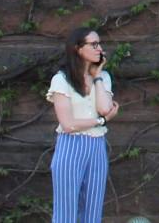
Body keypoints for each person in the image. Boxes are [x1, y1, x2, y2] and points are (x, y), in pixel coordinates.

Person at [47, 26, 118, 223]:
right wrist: (100, 121)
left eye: (99, 44)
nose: (99, 49)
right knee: (66, 212)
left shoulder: (103, 78)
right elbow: (68, 124)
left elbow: (105, 108)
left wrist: (97, 77)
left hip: (97, 147)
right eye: (93, 44)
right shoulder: (61, 80)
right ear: (78, 48)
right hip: (71, 145)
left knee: (93, 211)